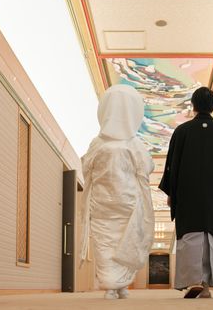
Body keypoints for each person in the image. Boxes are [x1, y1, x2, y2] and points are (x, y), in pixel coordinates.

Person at [159, 86, 213, 298]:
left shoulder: (182, 131)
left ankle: (193, 281)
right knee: (211, 239)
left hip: (188, 197)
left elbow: (172, 166)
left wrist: (171, 193)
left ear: (193, 105)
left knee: (190, 238)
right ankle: (205, 285)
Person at [79, 84, 155, 299]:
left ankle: (113, 287)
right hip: (127, 201)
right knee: (126, 242)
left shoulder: (97, 143)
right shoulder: (135, 143)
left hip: (101, 203)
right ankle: (119, 285)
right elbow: (147, 167)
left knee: (105, 244)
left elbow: (86, 167)